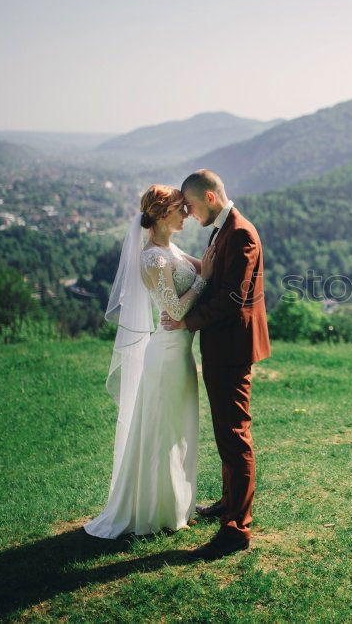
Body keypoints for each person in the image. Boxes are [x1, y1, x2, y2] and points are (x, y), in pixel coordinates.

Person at [85, 184, 216, 539]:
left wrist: (209, 262)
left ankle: (173, 505)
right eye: (179, 208)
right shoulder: (152, 258)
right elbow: (174, 309)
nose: (186, 214)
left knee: (178, 428)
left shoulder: (168, 249)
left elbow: (202, 267)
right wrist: (203, 279)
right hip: (168, 354)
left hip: (180, 352)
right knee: (164, 430)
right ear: (160, 213)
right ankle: (154, 510)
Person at [162, 168, 271, 560]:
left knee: (235, 433)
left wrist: (186, 320)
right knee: (225, 429)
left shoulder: (240, 233)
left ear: (209, 197)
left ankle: (237, 528)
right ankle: (229, 503)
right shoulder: (225, 227)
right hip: (223, 346)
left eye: (190, 205)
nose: (188, 213)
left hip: (232, 348)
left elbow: (232, 299)